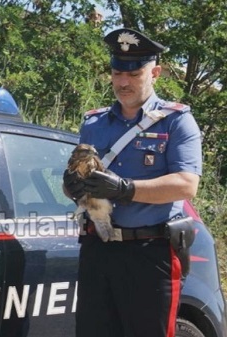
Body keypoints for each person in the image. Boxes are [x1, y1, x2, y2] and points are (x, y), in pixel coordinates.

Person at [63, 28, 202, 337]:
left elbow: (186, 184)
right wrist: (72, 186)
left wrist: (126, 189)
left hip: (149, 253)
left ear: (155, 72)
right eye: (116, 73)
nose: (123, 82)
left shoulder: (176, 121)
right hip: (98, 249)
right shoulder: (94, 123)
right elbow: (79, 184)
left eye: (134, 74)